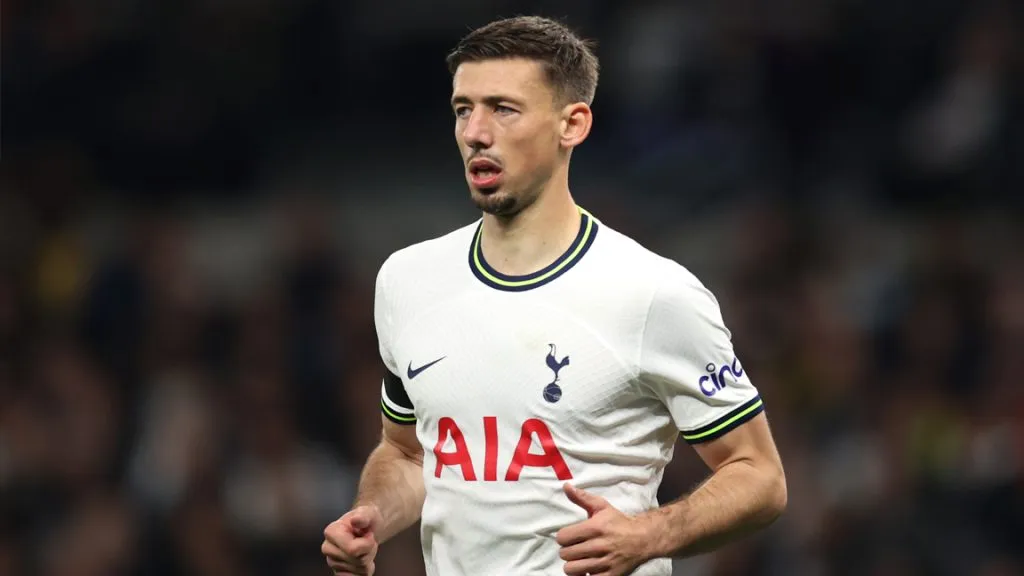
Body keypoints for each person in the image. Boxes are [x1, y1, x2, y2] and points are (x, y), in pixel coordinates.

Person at [322, 15, 787, 576]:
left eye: (503, 108)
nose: (475, 132)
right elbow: (408, 452)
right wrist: (370, 513)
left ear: (573, 124)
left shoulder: (653, 294)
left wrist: (650, 533)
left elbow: (760, 476)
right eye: (463, 109)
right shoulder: (406, 280)